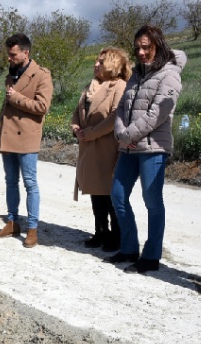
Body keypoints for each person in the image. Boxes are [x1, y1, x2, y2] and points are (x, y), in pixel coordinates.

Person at [108, 25, 186, 274]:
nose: (141, 52)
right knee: (117, 195)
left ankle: (151, 256)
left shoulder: (170, 75)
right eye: (138, 48)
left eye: (146, 47)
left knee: (152, 201)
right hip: (129, 147)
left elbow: (158, 114)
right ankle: (129, 248)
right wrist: (121, 134)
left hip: (153, 148)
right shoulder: (136, 74)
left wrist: (128, 134)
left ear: (157, 46)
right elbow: (121, 107)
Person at [0, 34, 53, 248]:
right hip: (9, 135)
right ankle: (12, 223)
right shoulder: (11, 75)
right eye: (8, 54)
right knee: (10, 182)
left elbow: (42, 107)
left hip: (27, 137)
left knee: (30, 183)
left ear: (25, 53)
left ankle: (32, 228)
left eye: (13, 54)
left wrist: (15, 98)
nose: (9, 58)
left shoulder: (42, 75)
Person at [71, 47, 131, 252]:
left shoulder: (120, 86)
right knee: (96, 192)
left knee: (109, 193)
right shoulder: (92, 86)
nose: (96, 64)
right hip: (89, 148)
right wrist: (76, 126)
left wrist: (91, 133)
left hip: (107, 148)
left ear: (113, 64)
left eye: (101, 61)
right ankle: (100, 231)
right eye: (97, 61)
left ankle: (117, 236)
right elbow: (77, 112)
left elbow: (115, 117)